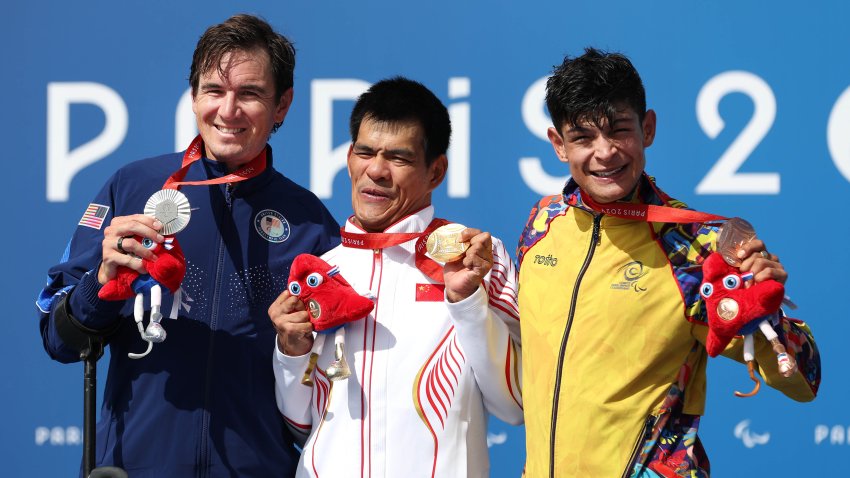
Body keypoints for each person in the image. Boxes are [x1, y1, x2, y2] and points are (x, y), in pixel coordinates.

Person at [36, 14, 340, 477]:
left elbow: (332, 387)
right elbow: (58, 339)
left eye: (251, 94)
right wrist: (100, 286)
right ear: (194, 95)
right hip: (133, 468)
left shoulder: (309, 223)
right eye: (214, 91)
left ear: (283, 105)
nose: (228, 110)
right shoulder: (133, 188)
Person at [516, 48, 820, 477]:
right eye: (583, 137)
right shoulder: (542, 223)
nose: (604, 152)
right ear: (558, 145)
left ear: (648, 128)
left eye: (619, 130)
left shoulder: (697, 249)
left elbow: (805, 380)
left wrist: (770, 322)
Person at [269, 77, 523, 477]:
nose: (376, 170)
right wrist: (291, 349)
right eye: (365, 152)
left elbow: (516, 405)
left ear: (436, 171)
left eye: (399, 158)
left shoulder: (477, 261)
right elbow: (301, 424)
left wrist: (468, 304)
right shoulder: (322, 271)